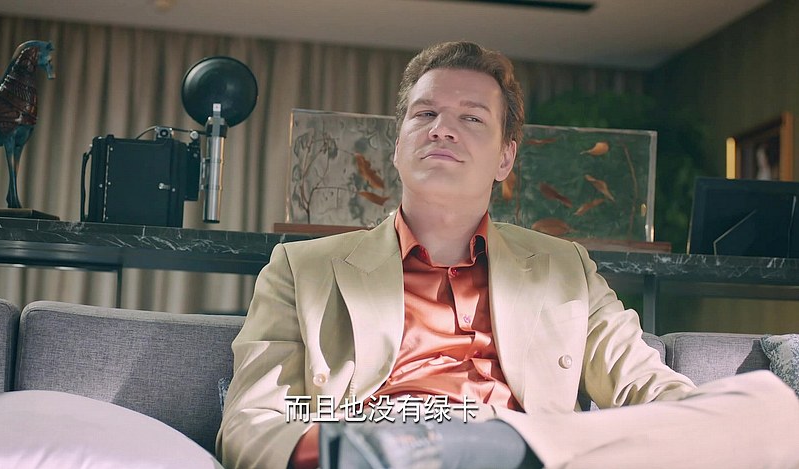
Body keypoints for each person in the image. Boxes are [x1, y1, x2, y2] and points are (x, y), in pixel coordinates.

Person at [217, 41, 799, 468]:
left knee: (769, 409)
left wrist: (704, 429)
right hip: (391, 445)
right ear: (396, 147)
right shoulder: (304, 269)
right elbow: (251, 424)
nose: (442, 129)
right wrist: (346, 448)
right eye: (425, 114)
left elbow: (651, 389)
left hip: (530, 451)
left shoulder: (565, 270)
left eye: (471, 118)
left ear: (505, 158)